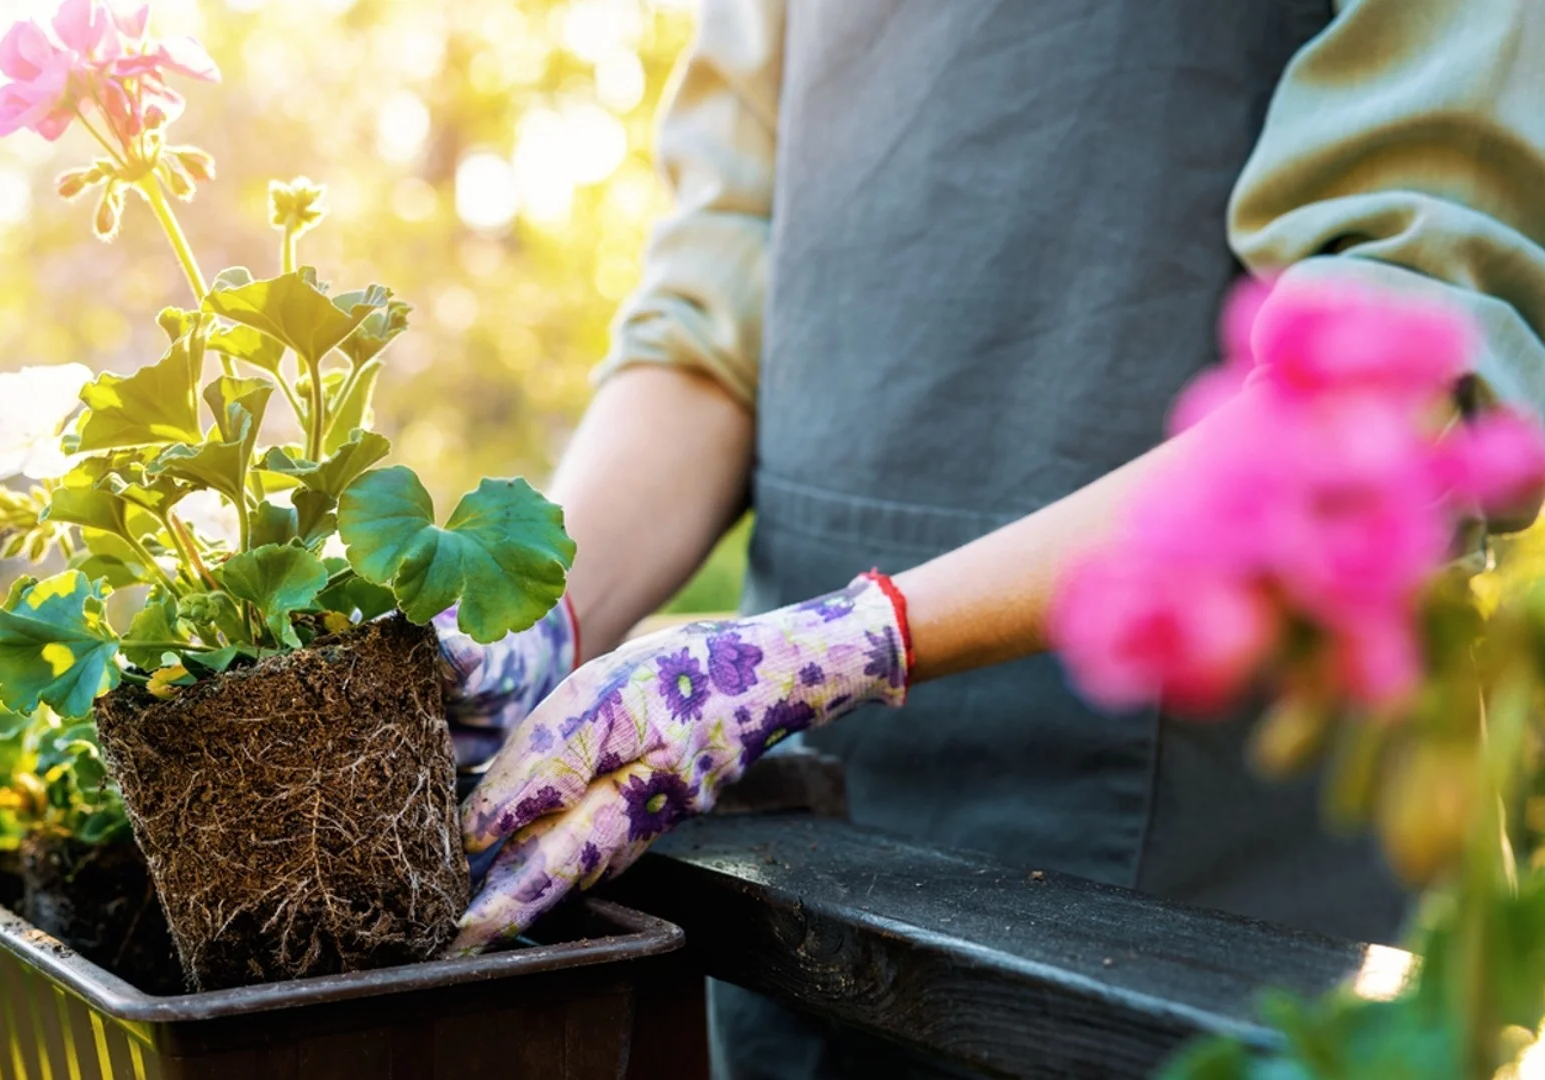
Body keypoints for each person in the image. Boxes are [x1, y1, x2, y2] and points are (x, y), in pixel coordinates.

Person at [435, 2, 1545, 1075]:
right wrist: (540, 613)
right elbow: (708, 327)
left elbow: (1390, 384)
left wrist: (838, 647)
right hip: (796, 846)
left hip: (1185, 884)